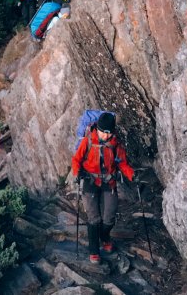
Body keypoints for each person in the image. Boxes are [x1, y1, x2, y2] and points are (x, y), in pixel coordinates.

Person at [71, 112, 134, 264]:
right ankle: (94, 251)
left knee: (109, 217)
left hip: (108, 182)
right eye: (102, 132)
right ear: (97, 129)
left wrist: (132, 175)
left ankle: (105, 237)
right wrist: (77, 173)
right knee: (94, 218)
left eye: (108, 133)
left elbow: (122, 163)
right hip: (89, 181)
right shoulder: (88, 141)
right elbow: (76, 159)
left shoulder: (115, 144)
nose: (105, 136)